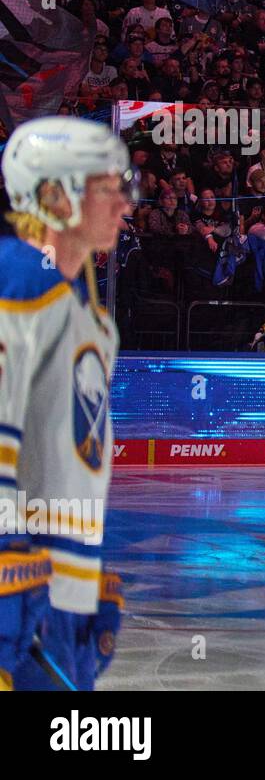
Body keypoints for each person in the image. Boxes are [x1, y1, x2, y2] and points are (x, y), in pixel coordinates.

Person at [0, 117, 136, 691]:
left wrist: (88, 575)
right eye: (111, 187)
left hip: (62, 594)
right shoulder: (18, 279)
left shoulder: (88, 312)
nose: (127, 204)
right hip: (20, 589)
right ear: (54, 193)